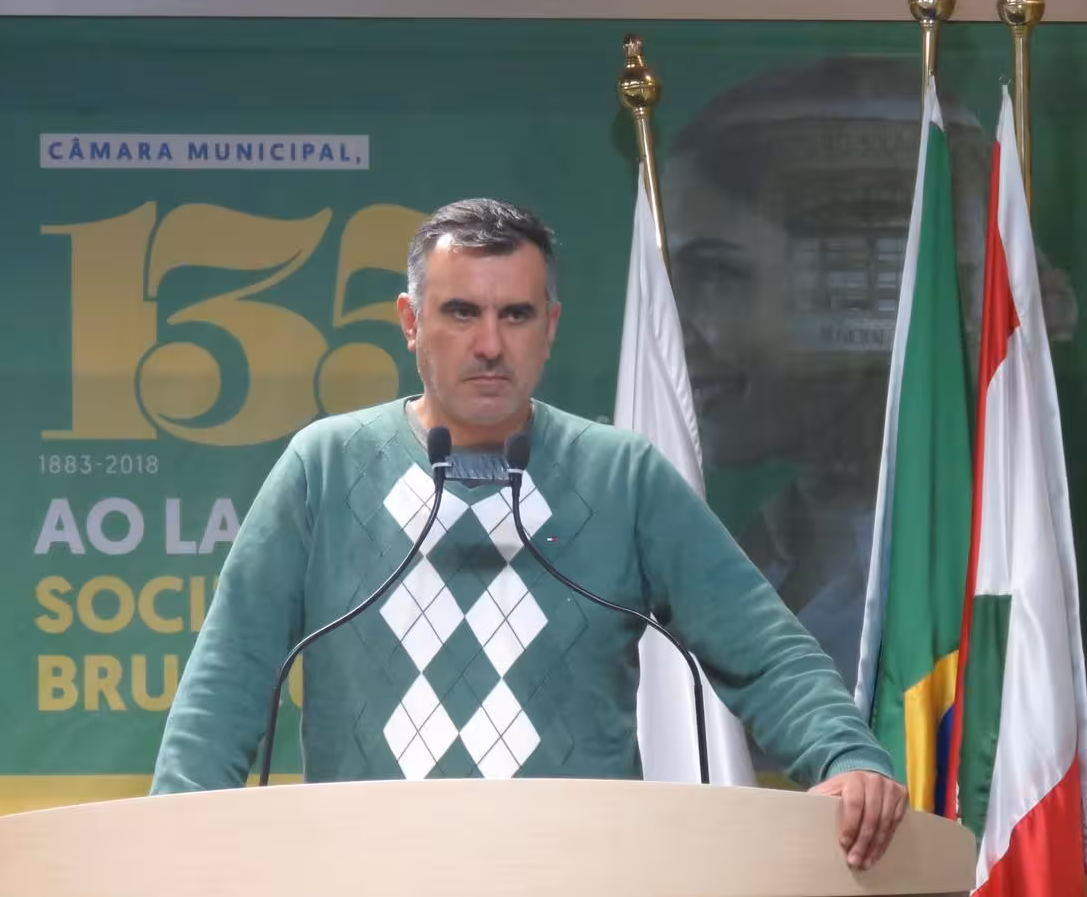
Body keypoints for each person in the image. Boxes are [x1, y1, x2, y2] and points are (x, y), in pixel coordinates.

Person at [151, 197, 908, 871]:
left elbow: (764, 649)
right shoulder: (325, 466)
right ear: (410, 322)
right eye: (460, 313)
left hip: (578, 878)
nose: (490, 344)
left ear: (550, 327)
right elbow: (231, 673)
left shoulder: (622, 475)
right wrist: (167, 848)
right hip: (370, 876)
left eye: (515, 315)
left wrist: (844, 754)